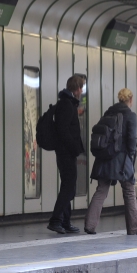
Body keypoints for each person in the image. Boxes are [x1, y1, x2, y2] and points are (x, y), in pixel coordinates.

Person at [84, 88, 137, 235]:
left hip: (104, 158)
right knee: (129, 191)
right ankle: (134, 228)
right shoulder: (130, 115)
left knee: (101, 190)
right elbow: (132, 141)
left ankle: (90, 225)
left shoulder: (108, 112)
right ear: (131, 100)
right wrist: (131, 158)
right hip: (122, 160)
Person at [47, 75, 86, 234]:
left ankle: (65, 221)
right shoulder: (66, 105)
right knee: (68, 188)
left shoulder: (68, 104)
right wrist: (75, 148)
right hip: (66, 153)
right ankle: (56, 220)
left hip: (66, 152)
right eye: (81, 87)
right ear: (76, 89)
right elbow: (63, 131)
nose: (82, 91)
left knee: (68, 186)